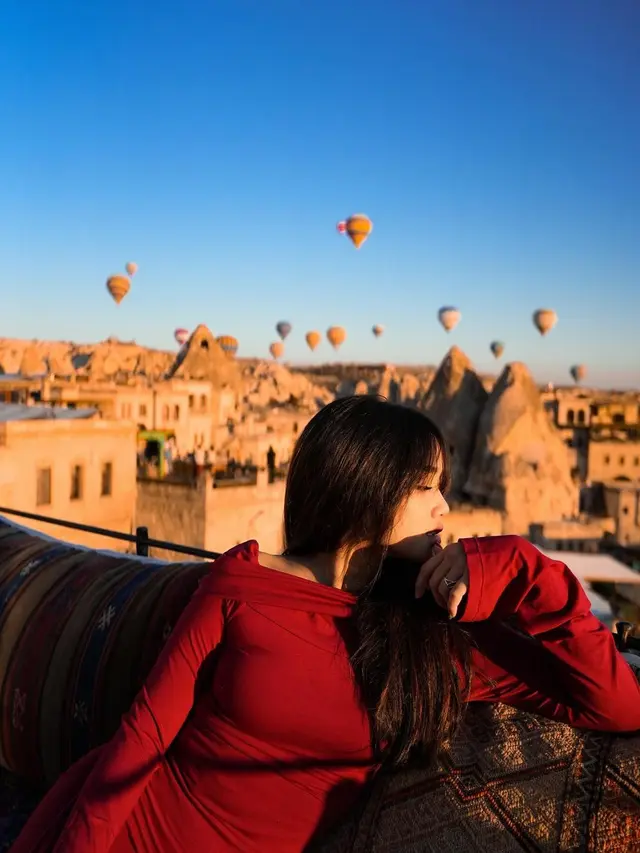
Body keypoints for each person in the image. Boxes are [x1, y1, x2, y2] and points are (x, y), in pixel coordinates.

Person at [12, 396, 640, 853]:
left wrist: (529, 571)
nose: (445, 507)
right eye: (426, 486)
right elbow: (143, 738)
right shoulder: (240, 584)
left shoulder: (437, 640)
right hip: (138, 831)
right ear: (367, 486)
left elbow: (615, 703)